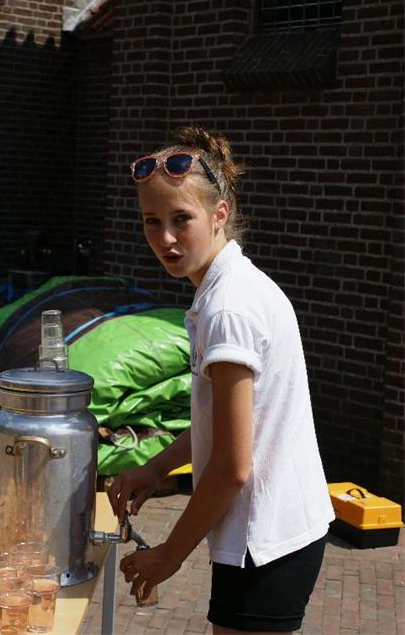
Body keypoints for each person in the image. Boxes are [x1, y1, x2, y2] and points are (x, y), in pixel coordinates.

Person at [107, 126, 335, 634]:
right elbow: (223, 425)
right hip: (276, 533)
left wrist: (169, 554)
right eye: (151, 221)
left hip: (265, 543)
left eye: (181, 219)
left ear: (220, 215)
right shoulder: (230, 288)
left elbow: (232, 466)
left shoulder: (228, 308)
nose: (165, 238)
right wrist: (156, 468)